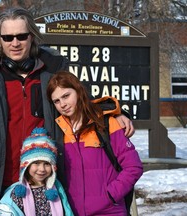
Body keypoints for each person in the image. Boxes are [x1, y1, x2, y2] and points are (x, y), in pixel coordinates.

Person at [0, 7, 134, 215]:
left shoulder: (53, 70)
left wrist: (116, 113)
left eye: (21, 36)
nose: (15, 43)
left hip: (43, 185)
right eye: (8, 37)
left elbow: (81, 100)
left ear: (32, 37)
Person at [47, 71, 143, 216]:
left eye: (66, 96)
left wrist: (110, 195)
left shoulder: (108, 124)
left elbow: (133, 167)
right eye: (57, 101)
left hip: (110, 211)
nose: (63, 104)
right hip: (71, 211)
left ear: (78, 91)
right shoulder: (58, 132)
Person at [0, 127, 73, 216]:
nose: (42, 169)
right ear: (26, 165)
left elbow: (67, 210)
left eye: (47, 164)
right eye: (36, 163)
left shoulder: (56, 187)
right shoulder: (17, 193)